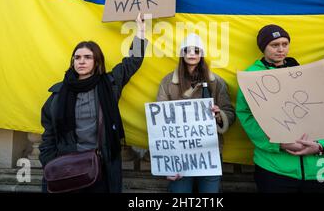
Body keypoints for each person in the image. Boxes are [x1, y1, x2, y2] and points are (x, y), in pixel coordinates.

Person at [39, 13, 147, 193]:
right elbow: (49, 132)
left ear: (96, 61)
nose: (81, 61)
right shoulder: (58, 93)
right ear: (72, 61)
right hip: (67, 168)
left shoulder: (109, 84)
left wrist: (141, 31)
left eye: (87, 57)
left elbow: (132, 62)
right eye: (77, 57)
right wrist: (49, 162)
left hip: (100, 167)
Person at [236, 24, 324, 193]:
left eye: (285, 44)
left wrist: (323, 146)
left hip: (320, 166)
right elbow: (246, 115)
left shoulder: (305, 73)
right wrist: (279, 144)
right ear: (263, 48)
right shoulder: (250, 76)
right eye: (274, 45)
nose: (281, 49)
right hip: (275, 167)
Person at [156, 33, 235, 193]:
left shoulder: (216, 82)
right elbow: (159, 118)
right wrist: (167, 161)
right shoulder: (168, 82)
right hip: (178, 152)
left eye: (196, 50)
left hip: (209, 151)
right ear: (181, 54)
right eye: (187, 50)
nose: (192, 54)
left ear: (202, 54)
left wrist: (219, 115)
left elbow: (230, 113)